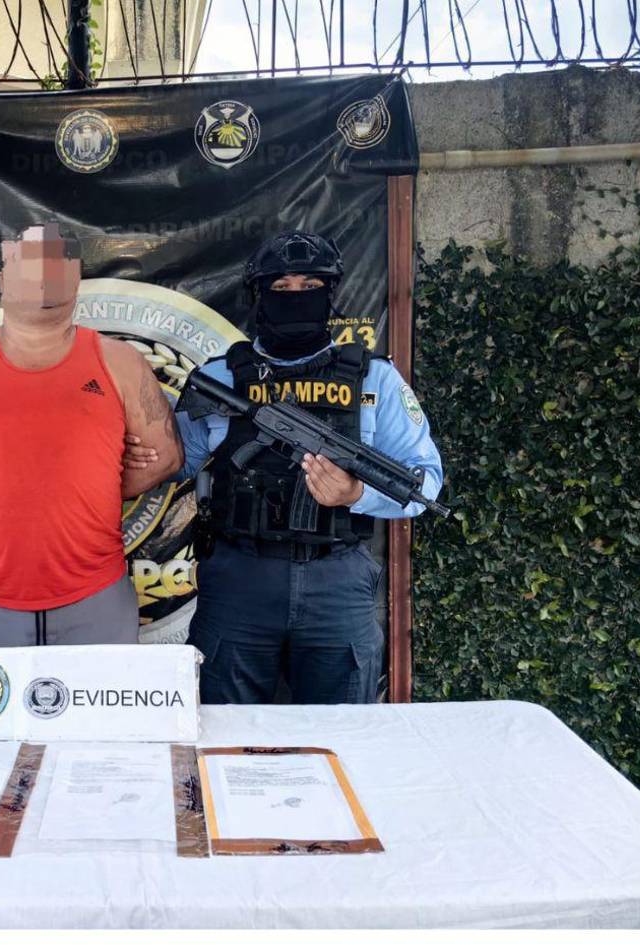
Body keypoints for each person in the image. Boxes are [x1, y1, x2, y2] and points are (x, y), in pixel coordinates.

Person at [175, 231, 443, 705]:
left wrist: (355, 494)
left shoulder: (375, 379)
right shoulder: (220, 378)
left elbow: (426, 481)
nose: (295, 296)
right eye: (280, 288)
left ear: (330, 294)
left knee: (341, 732)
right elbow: (174, 462)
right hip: (239, 576)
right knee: (225, 727)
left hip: (336, 580)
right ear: (259, 296)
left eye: (310, 286)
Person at [0, 223, 183, 647]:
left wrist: (93, 491)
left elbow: (166, 456)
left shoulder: (120, 362)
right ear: (2, 280)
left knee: (100, 695)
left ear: (76, 279)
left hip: (97, 597)